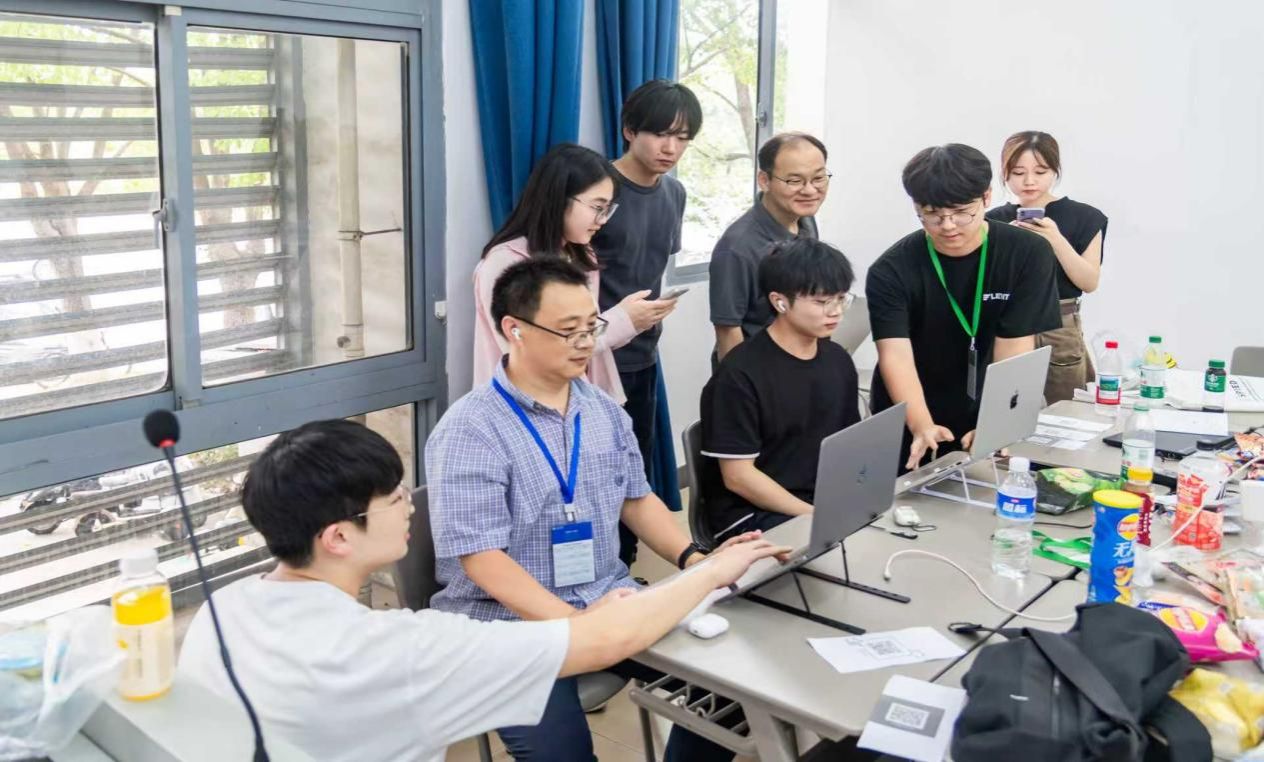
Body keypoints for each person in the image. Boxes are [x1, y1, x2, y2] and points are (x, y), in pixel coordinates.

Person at [177, 419, 786, 762]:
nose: (410, 507)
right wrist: (712, 570)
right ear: (338, 536)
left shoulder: (221, 609)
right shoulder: (411, 650)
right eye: (394, 498)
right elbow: (602, 642)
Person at [428, 257, 763, 762]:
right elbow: (482, 559)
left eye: (592, 327)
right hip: (507, 627)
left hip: (606, 597)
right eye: (569, 331)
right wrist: (578, 627)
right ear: (514, 329)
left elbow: (636, 499)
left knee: (734, 691)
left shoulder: (602, 409)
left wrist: (697, 562)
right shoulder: (470, 430)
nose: (586, 343)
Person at [866, 143, 1061, 471]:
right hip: (909, 408)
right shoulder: (891, 270)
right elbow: (895, 355)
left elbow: (1014, 347)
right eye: (932, 214)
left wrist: (997, 422)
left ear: (986, 197)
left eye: (961, 212)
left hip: (987, 400)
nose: (948, 225)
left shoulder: (1027, 253)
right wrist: (921, 425)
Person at [589, 79, 701, 565]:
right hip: (589, 357)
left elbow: (654, 264)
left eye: (682, 137)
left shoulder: (674, 193)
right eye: (660, 134)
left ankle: (625, 566)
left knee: (630, 469)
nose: (670, 148)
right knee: (590, 474)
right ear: (629, 131)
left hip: (642, 353)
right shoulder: (598, 191)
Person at [473, 143, 677, 403]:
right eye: (597, 207)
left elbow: (584, 340)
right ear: (559, 199)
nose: (603, 220)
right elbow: (534, 353)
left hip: (584, 400)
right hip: (527, 408)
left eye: (608, 209)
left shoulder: (581, 255)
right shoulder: (505, 262)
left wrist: (632, 321)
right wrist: (622, 321)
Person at [700, 238, 860, 538]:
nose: (836, 311)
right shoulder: (738, 375)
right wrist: (817, 515)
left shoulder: (837, 359)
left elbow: (849, 442)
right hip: (752, 513)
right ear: (780, 302)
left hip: (817, 499)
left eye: (841, 299)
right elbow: (738, 477)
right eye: (822, 302)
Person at [986, 131, 1109, 403]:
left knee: (1064, 410)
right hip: (1005, 324)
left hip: (1060, 322)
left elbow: (1089, 282)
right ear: (1005, 173)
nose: (1029, 181)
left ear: (1055, 170)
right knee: (1006, 407)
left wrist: (1055, 239)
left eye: (1040, 172)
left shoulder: (1086, 217)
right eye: (1018, 172)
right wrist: (1004, 243)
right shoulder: (992, 221)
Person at [710, 132, 830, 362]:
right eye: (794, 181)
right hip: (758, 370)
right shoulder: (737, 248)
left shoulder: (805, 219)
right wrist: (741, 382)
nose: (809, 190)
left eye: (818, 178)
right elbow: (728, 332)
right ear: (764, 180)